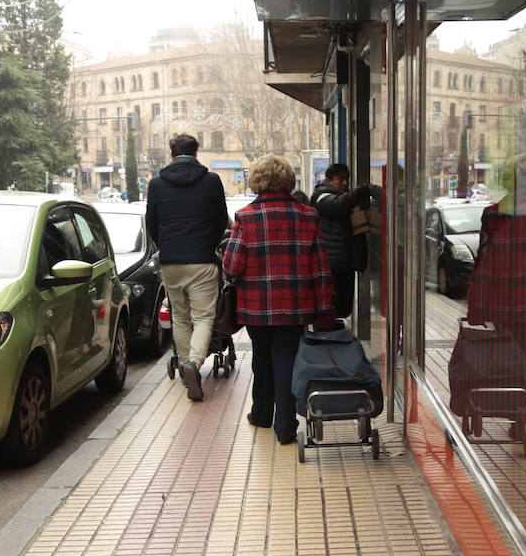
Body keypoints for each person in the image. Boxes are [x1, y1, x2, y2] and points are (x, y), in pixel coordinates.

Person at [222, 156, 334, 444]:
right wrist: (324, 308)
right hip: (296, 306)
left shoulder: (245, 218)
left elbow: (232, 266)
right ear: (288, 181)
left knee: (261, 357)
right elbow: (321, 269)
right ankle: (285, 425)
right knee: (286, 358)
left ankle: (261, 413)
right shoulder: (309, 216)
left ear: (257, 181)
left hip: (256, 306)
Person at [146, 132, 229, 401]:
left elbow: (152, 223)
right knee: (204, 317)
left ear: (171, 154)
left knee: (180, 318)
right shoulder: (212, 181)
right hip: (202, 260)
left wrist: (167, 247)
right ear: (196, 153)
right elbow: (220, 220)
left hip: (171, 262)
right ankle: (194, 362)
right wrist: (209, 244)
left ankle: (185, 367)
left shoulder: (157, 184)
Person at [311, 163, 377, 319]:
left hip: (345, 265)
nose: (345, 183)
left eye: (347, 179)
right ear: (328, 180)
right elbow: (339, 205)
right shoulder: (321, 197)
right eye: (340, 179)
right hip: (332, 267)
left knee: (344, 309)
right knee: (332, 310)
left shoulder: (343, 198)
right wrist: (363, 190)